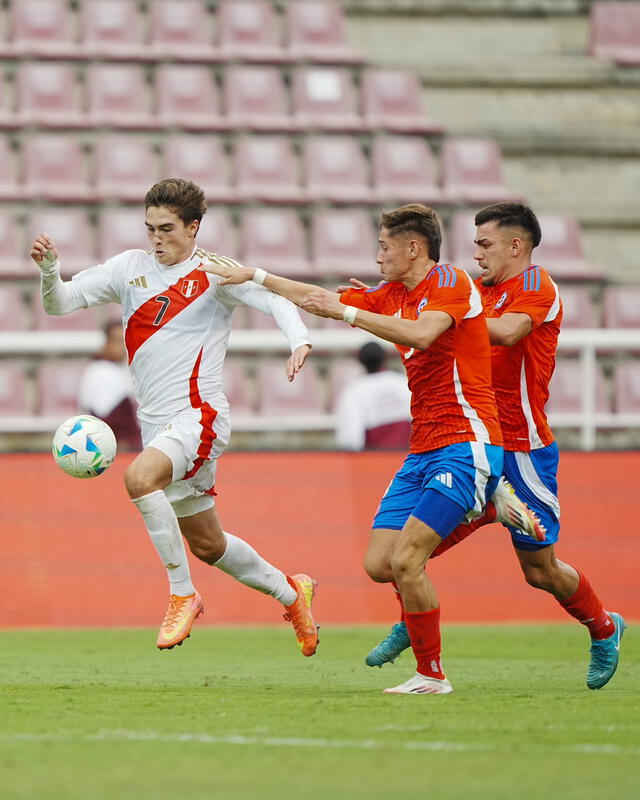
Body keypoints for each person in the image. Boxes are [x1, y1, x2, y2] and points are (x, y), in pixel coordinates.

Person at [199, 203, 541, 696]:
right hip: (423, 447)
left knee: (408, 563)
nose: (377, 256)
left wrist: (350, 312)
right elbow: (318, 297)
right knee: (381, 564)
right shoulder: (391, 295)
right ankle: (488, 507)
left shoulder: (451, 282)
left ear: (412, 248)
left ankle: (432, 675)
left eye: (384, 247)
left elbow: (424, 336)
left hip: (467, 441)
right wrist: (256, 275)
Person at [31, 178, 319, 658]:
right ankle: (294, 594)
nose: (156, 239)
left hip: (199, 416)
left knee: (140, 478)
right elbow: (59, 302)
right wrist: (49, 271)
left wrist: (299, 339)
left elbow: (273, 299)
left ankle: (182, 594)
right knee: (209, 545)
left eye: (167, 229)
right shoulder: (129, 268)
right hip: (157, 425)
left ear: (193, 227)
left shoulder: (215, 272)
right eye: (150, 229)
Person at [365, 202, 625, 690]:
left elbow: (507, 332)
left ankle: (604, 627)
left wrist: (446, 317)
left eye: (484, 244)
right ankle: (416, 624)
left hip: (523, 451)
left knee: (540, 570)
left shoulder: (535, 287)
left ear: (515, 245)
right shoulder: (471, 290)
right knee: (400, 555)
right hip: (472, 443)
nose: (476, 253)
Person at [334, 340, 411, 451]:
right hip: (407, 458)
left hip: (373, 462)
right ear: (385, 358)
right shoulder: (402, 383)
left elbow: (350, 439)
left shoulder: (355, 391)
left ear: (360, 361)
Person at [78, 319, 141, 451]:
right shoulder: (101, 371)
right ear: (107, 342)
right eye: (117, 341)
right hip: (116, 449)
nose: (122, 347)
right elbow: (107, 419)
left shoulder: (119, 368)